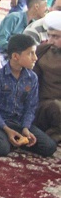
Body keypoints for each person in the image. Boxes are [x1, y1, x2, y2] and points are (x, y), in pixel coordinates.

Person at [0, 34, 56, 157]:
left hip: (20, 123)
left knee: (49, 147)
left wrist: (26, 128)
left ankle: (15, 139)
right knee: (1, 148)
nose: (35, 58)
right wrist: (7, 129)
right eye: (31, 53)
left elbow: (31, 107)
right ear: (16, 56)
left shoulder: (32, 78)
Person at [33, 13, 61, 142]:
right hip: (43, 103)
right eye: (49, 35)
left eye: (56, 37)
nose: (50, 40)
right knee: (55, 106)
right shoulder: (41, 50)